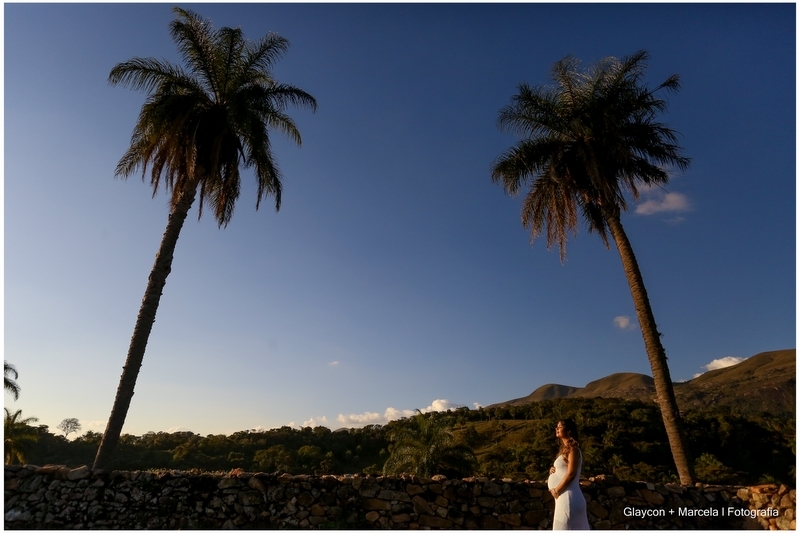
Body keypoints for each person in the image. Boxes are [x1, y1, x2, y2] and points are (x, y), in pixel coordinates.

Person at [547, 419, 590, 530]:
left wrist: (557, 490)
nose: (557, 429)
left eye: (560, 427)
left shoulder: (573, 449)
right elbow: (565, 470)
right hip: (564, 498)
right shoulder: (567, 449)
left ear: (568, 430)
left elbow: (571, 474)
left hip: (568, 499)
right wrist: (554, 470)